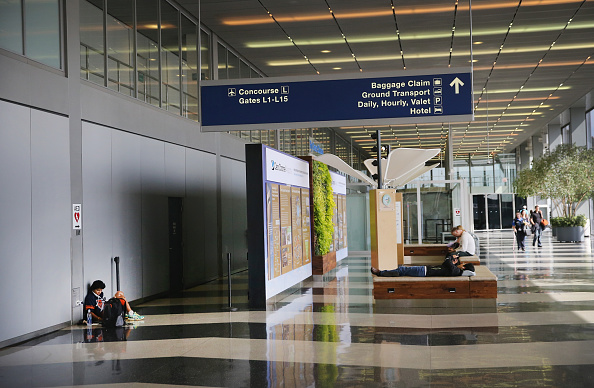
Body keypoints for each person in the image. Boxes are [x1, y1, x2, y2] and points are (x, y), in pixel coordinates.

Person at [370, 257, 475, 277]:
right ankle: (386, 272)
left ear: (464, 267)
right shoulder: (455, 270)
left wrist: (451, 259)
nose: (461, 263)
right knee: (403, 269)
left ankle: (381, 273)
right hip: (425, 270)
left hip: (425, 272)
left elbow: (447, 261)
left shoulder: (456, 271)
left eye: (463, 264)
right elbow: (445, 264)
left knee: (403, 269)